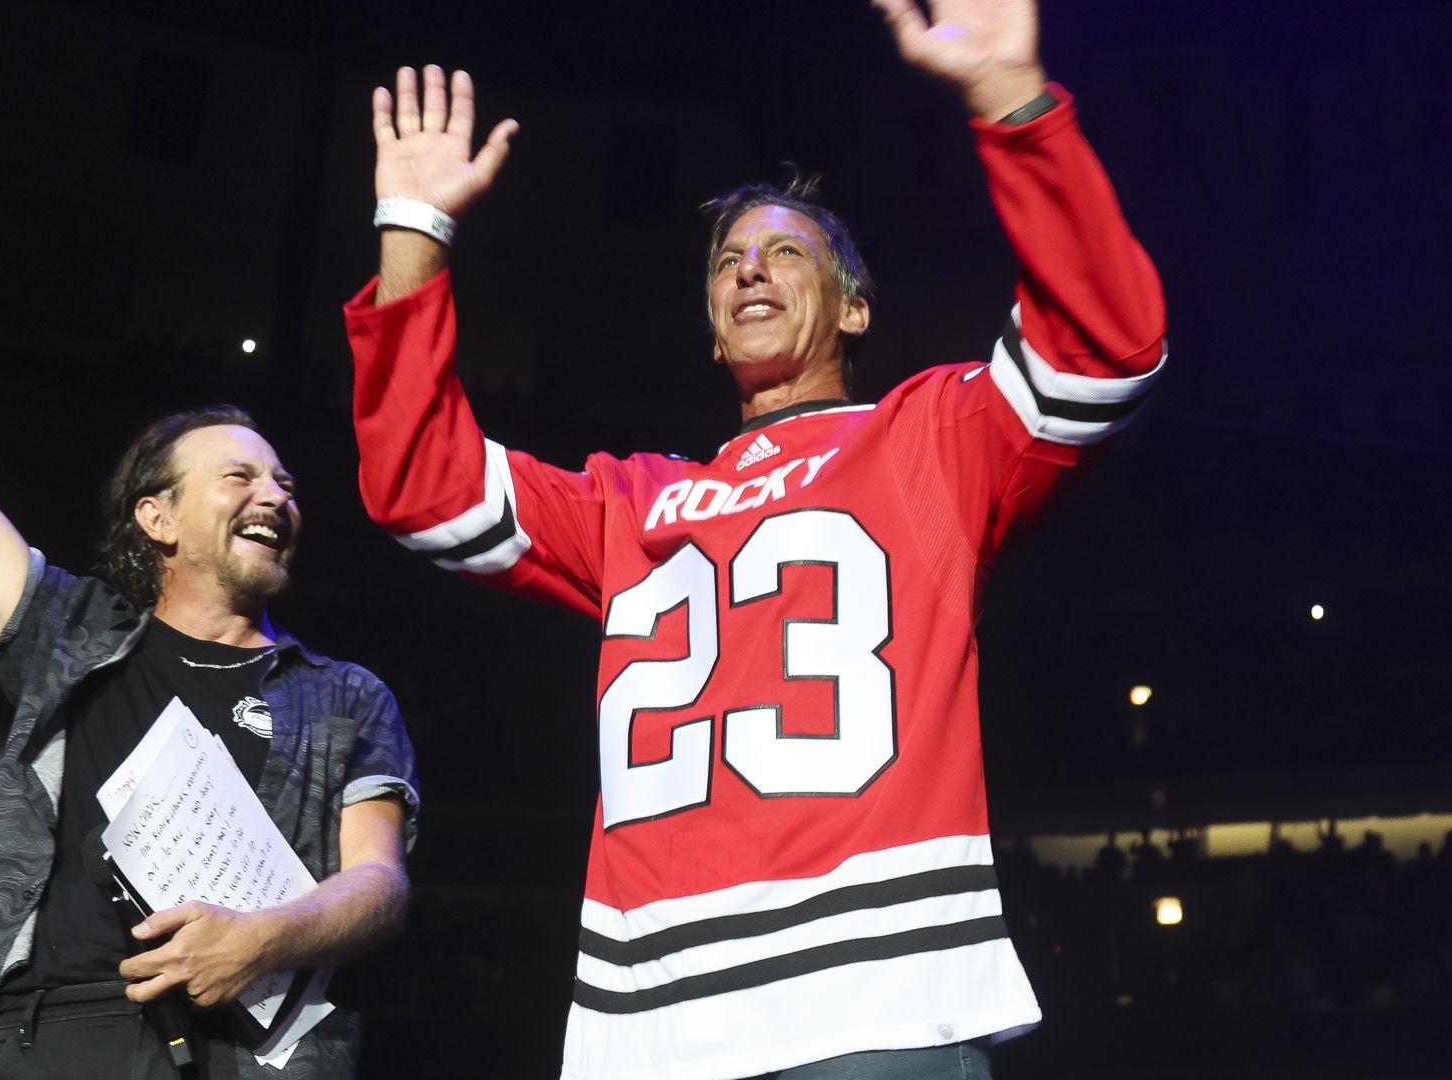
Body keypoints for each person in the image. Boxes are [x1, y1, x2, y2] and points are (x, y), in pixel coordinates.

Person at [342, 0, 1164, 1076]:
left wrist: (1014, 100)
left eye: (786, 253)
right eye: (730, 261)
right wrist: (414, 230)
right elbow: (422, 486)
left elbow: (1105, 346)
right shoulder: (629, 502)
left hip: (877, 1004)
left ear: (855, 309)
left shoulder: (929, 439)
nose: (750, 271)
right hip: (656, 1030)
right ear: (712, 323)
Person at [0, 146, 418, 1079]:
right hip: (57, 1036)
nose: (274, 495)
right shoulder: (67, 633)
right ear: (158, 518)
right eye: (238, 476)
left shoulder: (347, 697)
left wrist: (261, 939)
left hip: (252, 1055)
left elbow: (379, 885)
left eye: (284, 482)